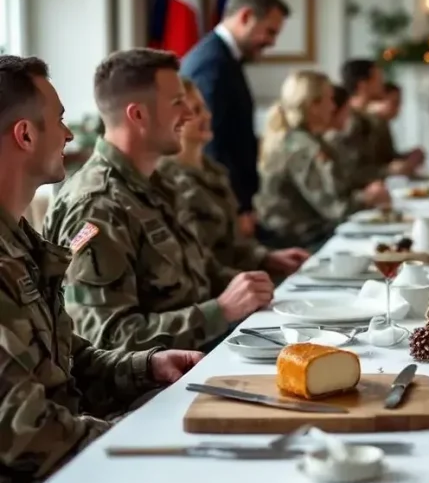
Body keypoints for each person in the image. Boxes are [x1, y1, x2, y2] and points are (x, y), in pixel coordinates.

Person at [0, 55, 202, 483]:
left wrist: (146, 367)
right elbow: (24, 432)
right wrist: (137, 435)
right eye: (60, 121)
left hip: (64, 464)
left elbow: (68, 356)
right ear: (25, 135)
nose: (71, 136)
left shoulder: (19, 241)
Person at [43, 49, 274, 352]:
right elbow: (106, 338)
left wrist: (252, 285)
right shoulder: (97, 205)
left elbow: (199, 272)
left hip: (200, 353)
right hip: (149, 390)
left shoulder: (158, 184)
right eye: (177, 102)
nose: (189, 115)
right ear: (137, 114)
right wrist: (220, 312)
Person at [157, 78, 309, 277]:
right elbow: (198, 262)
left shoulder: (215, 172)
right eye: (196, 111)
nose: (207, 116)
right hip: (216, 292)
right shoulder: (166, 180)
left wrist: (267, 258)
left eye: (204, 108)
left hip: (240, 281)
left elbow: (234, 246)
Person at [180, 0, 290, 239]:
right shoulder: (212, 64)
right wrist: (237, 208)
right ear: (245, 17)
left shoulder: (224, 58)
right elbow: (212, 142)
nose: (272, 42)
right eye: (269, 31)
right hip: (221, 208)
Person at [255, 70, 391, 250]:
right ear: (313, 105)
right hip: (298, 243)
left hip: (305, 235)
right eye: (329, 99)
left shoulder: (304, 138)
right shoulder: (302, 147)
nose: (333, 107)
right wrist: (367, 197)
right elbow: (335, 209)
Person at [337, 59, 423, 182]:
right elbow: (350, 171)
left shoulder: (376, 118)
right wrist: (388, 170)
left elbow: (385, 158)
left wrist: (407, 158)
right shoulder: (347, 120)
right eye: (378, 80)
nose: (383, 85)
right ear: (363, 85)